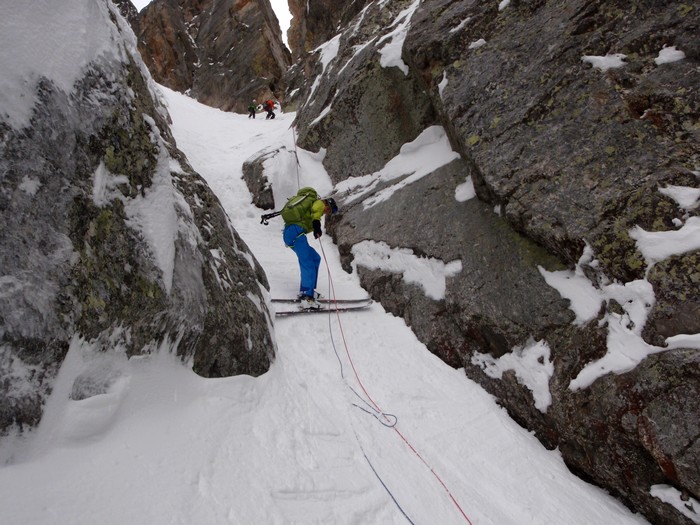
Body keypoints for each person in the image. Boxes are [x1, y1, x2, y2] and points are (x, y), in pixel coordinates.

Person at [280, 187, 338, 309]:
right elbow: (316, 211)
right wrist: (317, 226)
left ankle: (308, 290)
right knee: (307, 263)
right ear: (327, 203)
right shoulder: (319, 203)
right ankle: (307, 296)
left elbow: (312, 214)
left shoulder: (310, 203)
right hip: (296, 231)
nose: (327, 212)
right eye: (329, 210)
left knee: (315, 258)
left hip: (292, 233)